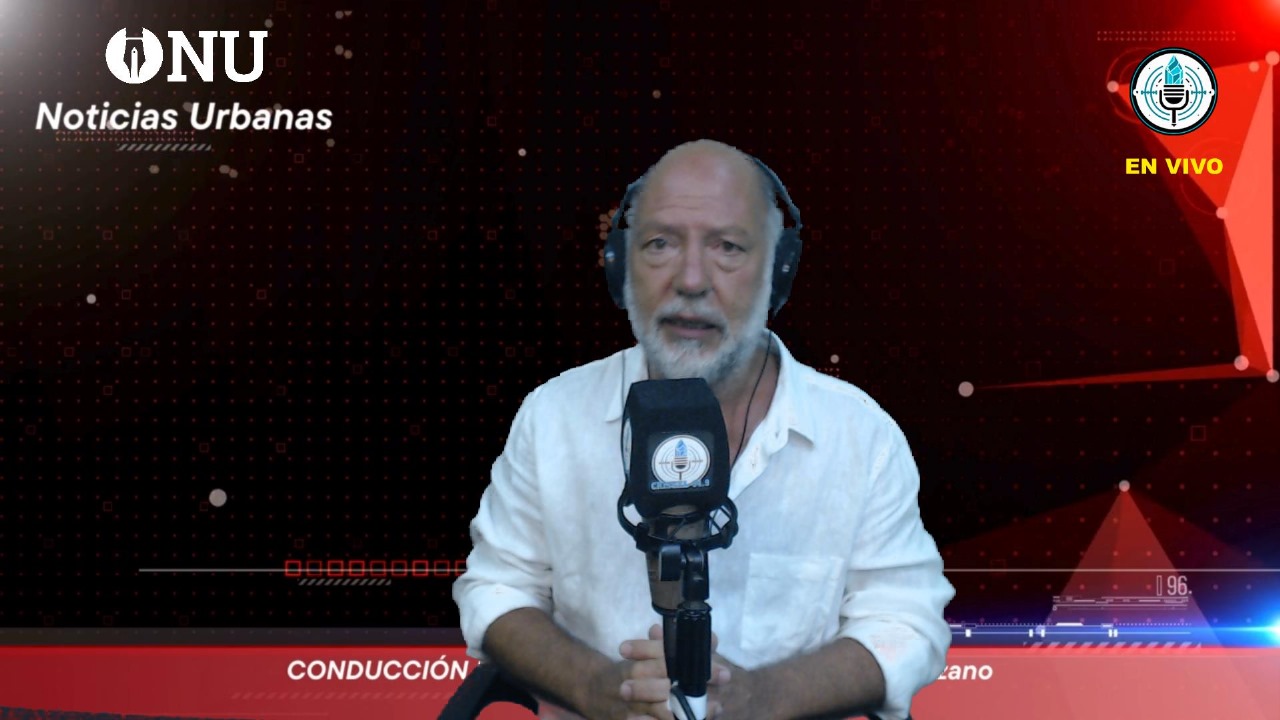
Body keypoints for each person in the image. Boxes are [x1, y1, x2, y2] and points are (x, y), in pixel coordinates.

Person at [453, 140, 954, 720]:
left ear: (778, 271)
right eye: (660, 244)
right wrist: (597, 689)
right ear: (620, 267)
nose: (691, 279)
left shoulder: (860, 436)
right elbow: (497, 591)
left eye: (728, 247)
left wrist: (761, 699)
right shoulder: (553, 416)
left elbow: (905, 624)